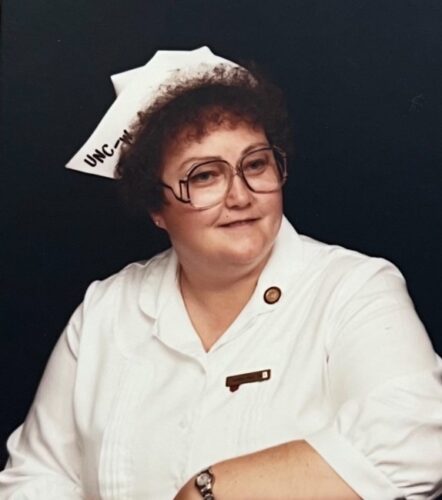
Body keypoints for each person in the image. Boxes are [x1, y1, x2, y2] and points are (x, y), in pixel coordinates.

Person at [1, 47, 441, 500]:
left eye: (255, 165)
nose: (241, 196)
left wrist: (208, 489)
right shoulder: (106, 309)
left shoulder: (354, 289)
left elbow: (417, 446)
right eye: (205, 176)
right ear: (156, 207)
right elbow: (36, 478)